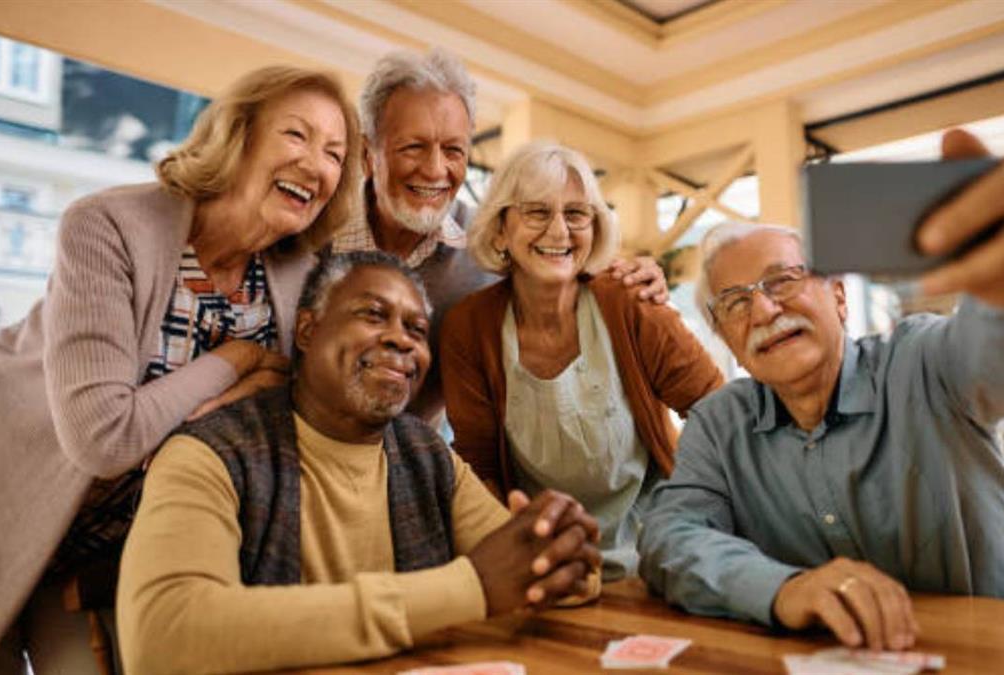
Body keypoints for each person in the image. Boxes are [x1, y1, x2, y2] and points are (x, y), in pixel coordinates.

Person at [0, 65, 362, 673]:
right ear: (237, 135)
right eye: (296, 135)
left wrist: (262, 392)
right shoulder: (107, 226)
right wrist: (234, 361)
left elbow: (286, 416)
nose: (317, 165)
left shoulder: (294, 275)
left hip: (101, 546)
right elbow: (104, 436)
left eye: (335, 154)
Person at [638, 129, 1004, 653]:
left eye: (781, 280)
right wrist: (783, 588)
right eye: (735, 303)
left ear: (838, 297)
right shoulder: (719, 425)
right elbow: (669, 538)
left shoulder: (922, 361)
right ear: (728, 342)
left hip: (996, 659)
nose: (762, 311)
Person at [116, 251, 601, 673]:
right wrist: (467, 588)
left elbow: (527, 571)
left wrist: (563, 549)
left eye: (416, 329)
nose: (402, 340)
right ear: (307, 330)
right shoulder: (209, 453)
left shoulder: (426, 453)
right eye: (373, 314)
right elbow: (164, 636)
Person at [329, 48, 669, 419]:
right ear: (367, 153)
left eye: (454, 150)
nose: (435, 170)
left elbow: (564, 263)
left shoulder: (493, 240)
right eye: (414, 147)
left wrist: (635, 276)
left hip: (415, 458)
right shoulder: (314, 235)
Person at [441, 141, 724, 581]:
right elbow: (480, 466)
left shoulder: (629, 300)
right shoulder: (468, 327)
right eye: (537, 212)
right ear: (500, 230)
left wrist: (687, 516)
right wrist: (519, 555)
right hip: (545, 562)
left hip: (659, 557)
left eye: (576, 214)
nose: (559, 232)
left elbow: (718, 412)